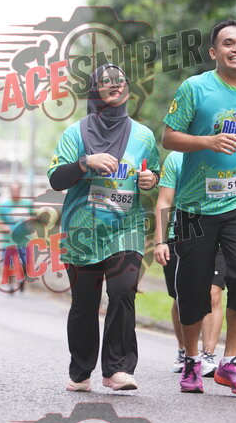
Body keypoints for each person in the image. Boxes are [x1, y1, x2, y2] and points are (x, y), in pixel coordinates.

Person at [161, 19, 236, 394]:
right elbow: (169, 138)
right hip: (194, 206)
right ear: (214, 52)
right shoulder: (195, 88)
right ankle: (192, 361)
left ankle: (230, 363)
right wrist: (208, 142)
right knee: (192, 289)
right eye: (228, 43)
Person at [48, 64, 159, 393]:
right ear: (94, 90)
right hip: (83, 230)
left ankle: (118, 369)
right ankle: (81, 371)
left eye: (120, 81)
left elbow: (152, 172)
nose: (115, 85)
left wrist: (150, 179)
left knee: (123, 291)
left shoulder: (143, 135)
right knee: (85, 303)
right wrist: (86, 163)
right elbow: (56, 179)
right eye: (107, 82)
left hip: (126, 228)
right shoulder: (75, 134)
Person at [154, 150, 225, 376]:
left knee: (213, 292)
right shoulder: (176, 158)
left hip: (220, 231)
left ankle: (208, 356)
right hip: (183, 233)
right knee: (183, 296)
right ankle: (185, 351)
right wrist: (160, 241)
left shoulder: (225, 153)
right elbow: (165, 200)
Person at [0, 182, 35, 293]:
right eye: (13, 190)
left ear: (20, 190)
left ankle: (22, 280)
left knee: (25, 264)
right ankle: (10, 285)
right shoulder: (4, 205)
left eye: (17, 190)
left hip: (24, 240)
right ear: (10, 191)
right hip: (9, 241)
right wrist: (4, 227)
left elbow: (34, 217)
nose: (15, 192)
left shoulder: (27, 204)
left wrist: (29, 220)